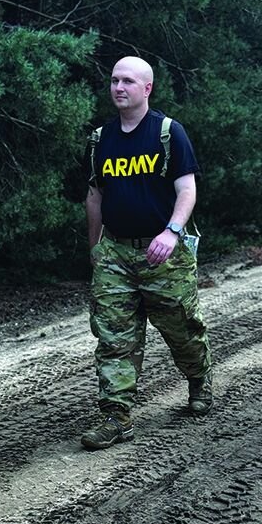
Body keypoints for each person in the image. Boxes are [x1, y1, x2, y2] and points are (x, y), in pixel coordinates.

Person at [80, 56, 212, 450]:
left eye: (128, 82)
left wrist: (172, 232)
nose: (119, 88)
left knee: (181, 330)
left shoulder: (169, 133)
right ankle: (116, 416)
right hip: (115, 254)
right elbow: (94, 196)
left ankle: (199, 377)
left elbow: (186, 189)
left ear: (147, 89)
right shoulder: (99, 139)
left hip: (163, 254)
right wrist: (94, 248)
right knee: (113, 337)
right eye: (114, 80)